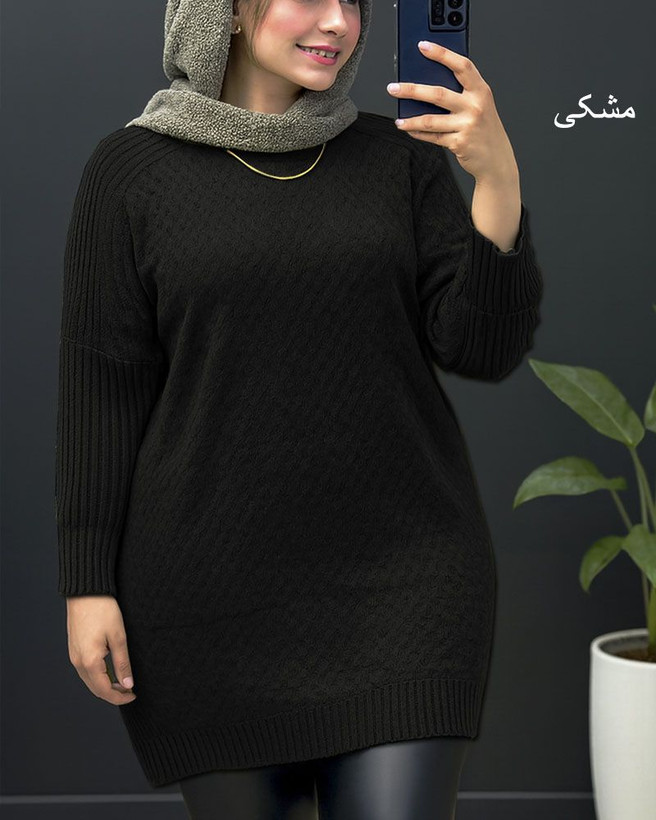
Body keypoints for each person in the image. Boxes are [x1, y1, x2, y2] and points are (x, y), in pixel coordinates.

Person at [55, 0, 544, 817]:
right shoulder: (130, 171)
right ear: (225, 13)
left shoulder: (398, 158)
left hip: (407, 587)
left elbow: (481, 350)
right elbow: (101, 390)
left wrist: (498, 178)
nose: (339, 21)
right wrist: (87, 585)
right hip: (208, 604)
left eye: (351, 0)